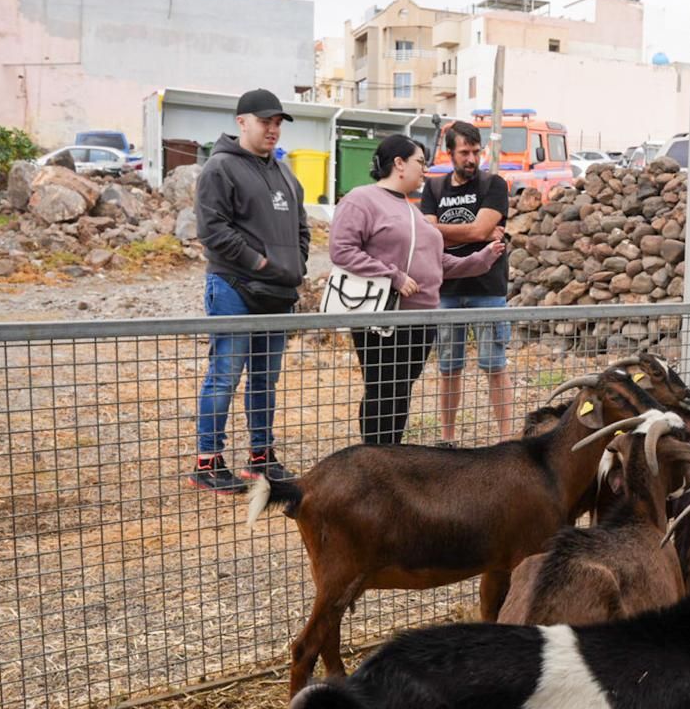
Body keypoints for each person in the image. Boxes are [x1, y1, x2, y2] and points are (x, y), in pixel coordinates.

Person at [328, 135, 506, 446]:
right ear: (398, 163)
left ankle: (389, 455)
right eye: (420, 162)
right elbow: (341, 250)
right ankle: (375, 458)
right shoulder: (362, 199)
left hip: (420, 319)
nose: (424, 170)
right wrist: (393, 276)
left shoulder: (410, 209)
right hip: (382, 316)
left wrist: (481, 259)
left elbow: (436, 263)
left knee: (401, 388)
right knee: (383, 388)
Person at [190, 88, 309, 493]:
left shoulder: (284, 173)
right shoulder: (220, 168)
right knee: (224, 375)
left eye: (277, 122)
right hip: (233, 287)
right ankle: (208, 461)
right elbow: (213, 231)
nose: (273, 129)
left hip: (277, 292)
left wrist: (297, 264)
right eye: (265, 121)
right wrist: (260, 263)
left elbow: (301, 229)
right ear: (242, 122)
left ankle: (261, 457)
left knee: (264, 379)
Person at [421, 120, 515, 443]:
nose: (471, 159)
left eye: (476, 152)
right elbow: (430, 234)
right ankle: (447, 439)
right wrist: (476, 229)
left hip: (487, 290)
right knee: (448, 367)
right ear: (450, 154)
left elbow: (470, 231)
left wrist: (444, 231)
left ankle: (507, 441)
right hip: (446, 290)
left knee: (495, 365)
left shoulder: (494, 185)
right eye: (464, 152)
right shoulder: (433, 189)